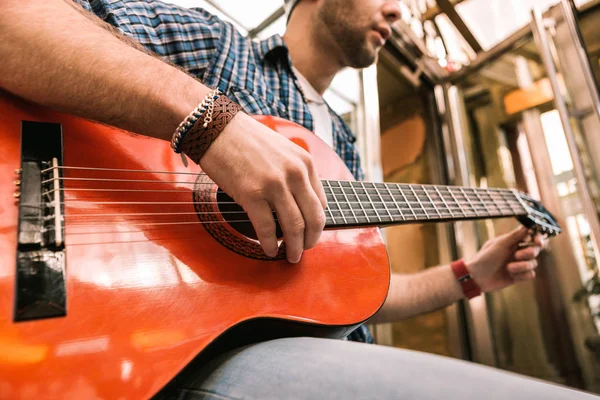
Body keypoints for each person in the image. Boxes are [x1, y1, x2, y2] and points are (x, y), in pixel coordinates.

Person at [0, 0, 594, 399]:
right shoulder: (219, 49)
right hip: (163, 353)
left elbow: (347, 296)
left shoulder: (341, 142)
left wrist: (473, 275)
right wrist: (212, 123)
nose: (397, 9)